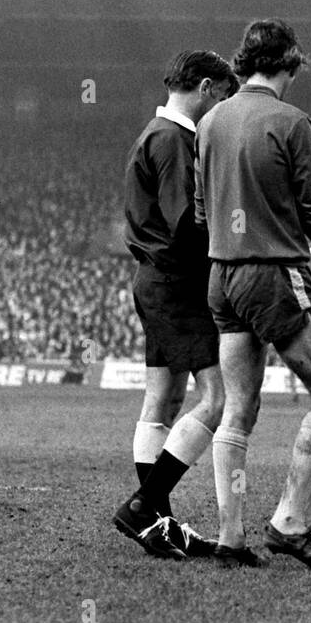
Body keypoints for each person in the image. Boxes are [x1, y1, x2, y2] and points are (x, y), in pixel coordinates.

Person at [195, 17, 311, 571]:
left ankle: (229, 538)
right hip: (274, 271)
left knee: (238, 408)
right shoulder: (291, 121)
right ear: (291, 63)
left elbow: (199, 207)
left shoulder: (211, 119)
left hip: (220, 275)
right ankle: (289, 522)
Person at [112, 50, 239, 559]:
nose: (223, 110)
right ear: (206, 87)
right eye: (224, 97)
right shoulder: (173, 140)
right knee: (218, 399)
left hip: (155, 281)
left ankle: (157, 522)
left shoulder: (155, 133)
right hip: (177, 283)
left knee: (162, 400)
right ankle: (146, 506)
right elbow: (184, 222)